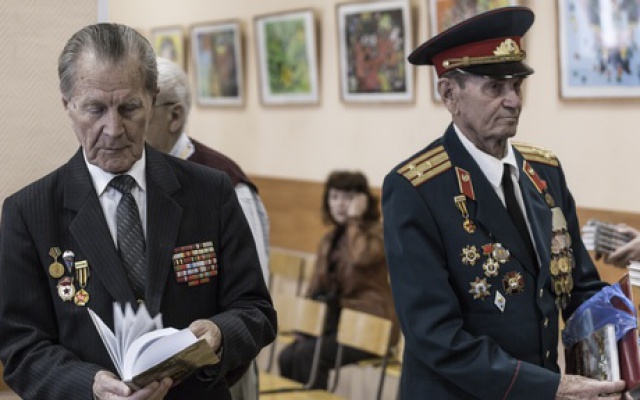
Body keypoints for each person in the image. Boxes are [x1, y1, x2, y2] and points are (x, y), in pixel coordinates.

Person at [0, 23, 276, 400]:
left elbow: (256, 310)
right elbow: (21, 348)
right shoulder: (29, 213)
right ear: (67, 105)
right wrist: (89, 385)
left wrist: (219, 334)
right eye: (95, 109)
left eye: (129, 107)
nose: (113, 129)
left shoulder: (211, 191)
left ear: (152, 98)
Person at [381, 7, 627, 400]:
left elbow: (579, 287)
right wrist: (550, 387)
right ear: (449, 94)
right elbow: (435, 335)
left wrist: (624, 354)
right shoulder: (416, 189)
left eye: (517, 85)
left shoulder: (544, 171)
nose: (513, 101)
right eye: (495, 88)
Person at [145, 56, 269, 400]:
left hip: (222, 373)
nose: (124, 125)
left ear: (174, 116)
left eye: (138, 109)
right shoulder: (133, 178)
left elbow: (255, 297)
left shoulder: (225, 184)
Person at [278, 170, 399, 389]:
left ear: (363, 201)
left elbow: (360, 257)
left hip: (370, 328)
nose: (340, 204)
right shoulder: (329, 239)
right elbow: (316, 286)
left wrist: (354, 220)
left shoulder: (378, 234)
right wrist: (304, 324)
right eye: (334, 197)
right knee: (287, 356)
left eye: (348, 197)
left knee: (307, 355)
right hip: (336, 325)